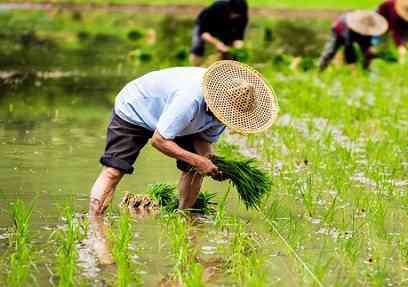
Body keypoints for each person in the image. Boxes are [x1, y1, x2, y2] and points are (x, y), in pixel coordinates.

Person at [88, 61, 278, 216]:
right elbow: (159, 140)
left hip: (179, 121)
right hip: (136, 108)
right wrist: (198, 160)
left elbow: (204, 141)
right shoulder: (189, 98)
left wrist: (212, 163)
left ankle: (184, 218)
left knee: (195, 170)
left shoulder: (228, 110)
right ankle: (94, 222)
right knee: (114, 171)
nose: (224, 119)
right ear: (215, 101)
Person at [318, 11, 388, 72]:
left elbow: (367, 45)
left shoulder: (368, 29)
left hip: (354, 32)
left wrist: (370, 53)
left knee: (367, 52)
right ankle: (321, 69)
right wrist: (353, 68)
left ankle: (366, 70)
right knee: (331, 51)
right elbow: (348, 48)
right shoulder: (350, 29)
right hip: (339, 31)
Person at [190, 0, 249, 66]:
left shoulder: (243, 16)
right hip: (205, 27)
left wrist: (238, 48)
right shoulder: (216, 8)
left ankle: (223, 70)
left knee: (229, 54)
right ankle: (195, 68)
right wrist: (217, 43)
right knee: (198, 46)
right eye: (234, 14)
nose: (235, 16)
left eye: (238, 15)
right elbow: (204, 33)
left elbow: (239, 37)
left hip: (226, 29)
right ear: (229, 9)